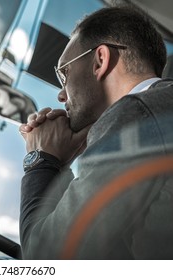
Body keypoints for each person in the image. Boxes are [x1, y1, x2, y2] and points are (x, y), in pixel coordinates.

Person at [19, 6, 173, 259]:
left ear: (100, 60)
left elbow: (46, 257)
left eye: (64, 73)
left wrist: (41, 159)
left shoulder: (135, 113)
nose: (61, 95)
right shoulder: (159, 108)